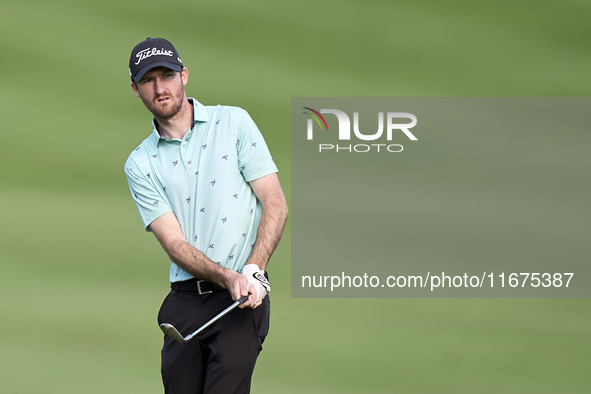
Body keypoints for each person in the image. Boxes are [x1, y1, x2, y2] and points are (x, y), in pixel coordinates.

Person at [124, 37, 288, 394]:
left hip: (239, 300)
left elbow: (275, 201)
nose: (159, 87)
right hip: (184, 301)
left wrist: (253, 269)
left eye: (166, 75)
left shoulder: (233, 122)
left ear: (184, 75)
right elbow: (173, 242)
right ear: (136, 90)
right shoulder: (140, 162)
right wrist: (224, 275)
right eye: (148, 80)